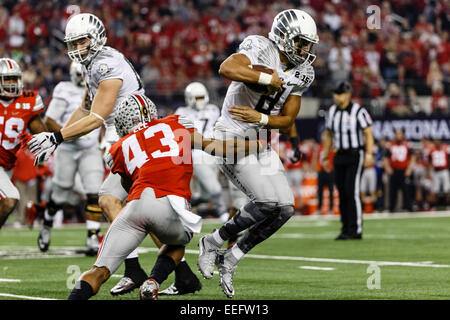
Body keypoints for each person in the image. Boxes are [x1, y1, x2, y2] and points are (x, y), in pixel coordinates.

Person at [27, 13, 199, 296]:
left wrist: (57, 136)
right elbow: (85, 108)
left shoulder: (106, 63)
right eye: (74, 42)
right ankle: (165, 272)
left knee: (128, 202)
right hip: (121, 135)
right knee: (114, 201)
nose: (78, 48)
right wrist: (58, 140)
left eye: (82, 41)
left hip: (133, 135)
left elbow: (96, 116)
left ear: (96, 38)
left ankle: (154, 271)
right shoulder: (92, 63)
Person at [67, 93, 261, 300]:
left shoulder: (119, 146)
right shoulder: (176, 123)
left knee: (99, 271)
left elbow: (129, 187)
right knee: (177, 245)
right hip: (169, 204)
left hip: (136, 206)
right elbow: (215, 148)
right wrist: (255, 145)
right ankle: (153, 281)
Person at [197, 9, 318, 298]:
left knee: (285, 208)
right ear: (284, 37)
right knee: (265, 202)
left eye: (308, 44)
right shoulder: (261, 46)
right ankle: (213, 241)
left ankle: (232, 256)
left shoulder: (304, 72)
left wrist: (260, 118)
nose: (305, 50)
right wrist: (266, 79)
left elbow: (287, 121)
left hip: (260, 140)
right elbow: (226, 68)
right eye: (300, 42)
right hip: (231, 135)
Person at [36, 61, 105, 256]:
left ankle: (93, 235)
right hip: (67, 147)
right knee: (60, 195)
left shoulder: (99, 90)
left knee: (94, 190)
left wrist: (102, 141)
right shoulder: (64, 89)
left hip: (90, 148)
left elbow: (104, 119)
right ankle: (47, 223)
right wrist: (71, 133)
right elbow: (49, 121)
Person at [321, 80, 374, 240]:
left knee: (352, 191)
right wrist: (325, 156)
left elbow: (368, 133)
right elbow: (329, 134)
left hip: (354, 154)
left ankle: (356, 229)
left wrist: (369, 154)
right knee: (342, 193)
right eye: (335, 94)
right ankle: (345, 228)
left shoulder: (358, 111)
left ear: (348, 94)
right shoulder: (332, 112)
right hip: (339, 155)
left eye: (339, 94)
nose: (336, 97)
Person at [0, 58, 47, 229]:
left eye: (14, 78)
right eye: (7, 79)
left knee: (9, 200)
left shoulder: (28, 101)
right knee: (11, 199)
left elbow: (43, 135)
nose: (11, 83)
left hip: (6, 166)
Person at [174, 82, 228, 222]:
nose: (199, 101)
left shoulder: (213, 110)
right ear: (189, 98)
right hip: (196, 154)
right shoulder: (181, 112)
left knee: (204, 195)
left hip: (212, 153)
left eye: (201, 97)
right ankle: (223, 214)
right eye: (196, 98)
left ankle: (181, 206)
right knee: (215, 188)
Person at [383, 129, 415, 212]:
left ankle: (407, 207)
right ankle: (391, 207)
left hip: (404, 170)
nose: (398, 135)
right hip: (394, 170)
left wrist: (409, 169)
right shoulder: (390, 145)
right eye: (397, 134)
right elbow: (386, 157)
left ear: (403, 134)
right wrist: (387, 168)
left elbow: (413, 158)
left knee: (406, 190)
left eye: (400, 134)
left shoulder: (407, 144)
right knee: (392, 190)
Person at [427, 138, 450, 209]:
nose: (436, 143)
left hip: (444, 170)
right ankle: (435, 205)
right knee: (435, 190)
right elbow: (429, 162)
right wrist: (429, 173)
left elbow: (448, 159)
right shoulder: (431, 150)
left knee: (447, 189)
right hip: (436, 171)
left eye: (438, 141)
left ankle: (448, 205)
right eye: (435, 141)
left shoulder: (446, 148)